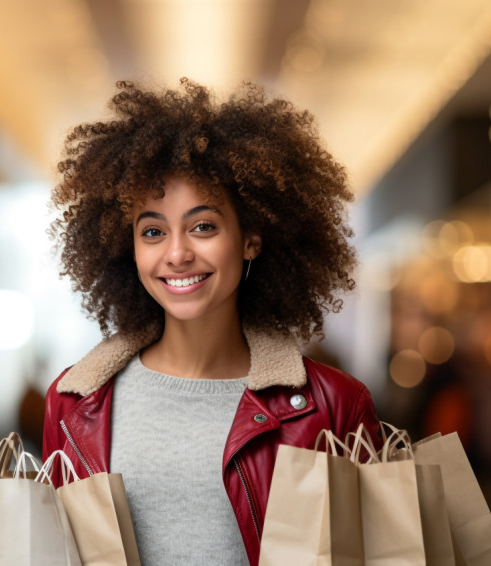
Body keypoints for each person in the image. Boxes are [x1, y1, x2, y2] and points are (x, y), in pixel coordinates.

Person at [42, 78, 380, 565]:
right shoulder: (75, 404)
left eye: (203, 226)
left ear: (251, 240)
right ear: (129, 249)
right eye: (153, 230)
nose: (177, 253)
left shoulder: (333, 407)